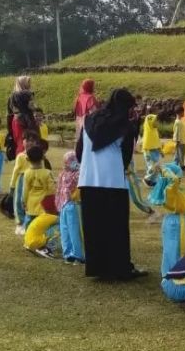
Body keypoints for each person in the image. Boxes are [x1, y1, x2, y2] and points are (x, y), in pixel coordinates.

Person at [76, 88, 146, 281]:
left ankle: (97, 267)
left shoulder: (89, 120)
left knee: (94, 227)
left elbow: (79, 149)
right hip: (113, 180)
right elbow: (126, 155)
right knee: (115, 228)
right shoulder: (124, 126)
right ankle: (119, 267)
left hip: (89, 179)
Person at [148, 161, 185, 292]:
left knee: (169, 248)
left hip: (169, 220)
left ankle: (166, 273)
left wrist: (161, 170)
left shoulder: (167, 189)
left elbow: (148, 178)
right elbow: (175, 179)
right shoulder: (171, 188)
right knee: (179, 249)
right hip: (178, 220)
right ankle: (177, 275)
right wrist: (165, 170)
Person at [8, 129, 41, 235]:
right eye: (27, 140)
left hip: (34, 180)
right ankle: (19, 223)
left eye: (32, 140)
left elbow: (42, 168)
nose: (30, 143)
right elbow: (16, 171)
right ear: (23, 142)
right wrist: (12, 186)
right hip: (22, 180)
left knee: (31, 201)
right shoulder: (21, 156)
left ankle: (30, 222)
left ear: (36, 142)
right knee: (19, 201)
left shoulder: (39, 156)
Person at [56, 151, 84, 265]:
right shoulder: (62, 174)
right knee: (64, 230)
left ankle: (78, 255)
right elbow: (58, 189)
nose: (71, 163)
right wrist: (58, 204)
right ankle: (68, 254)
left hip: (73, 205)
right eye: (68, 161)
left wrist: (80, 168)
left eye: (74, 161)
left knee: (74, 231)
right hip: (64, 205)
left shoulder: (78, 174)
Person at [21, 144, 56, 235]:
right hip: (44, 206)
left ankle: (28, 239)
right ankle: (42, 240)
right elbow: (52, 190)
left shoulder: (27, 173)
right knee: (43, 225)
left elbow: (25, 190)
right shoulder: (47, 173)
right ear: (43, 157)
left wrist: (24, 202)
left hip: (31, 204)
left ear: (27, 159)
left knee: (29, 223)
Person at [141, 113, 162, 179]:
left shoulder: (155, 131)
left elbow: (157, 141)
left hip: (156, 151)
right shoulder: (148, 133)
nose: (157, 123)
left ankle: (154, 180)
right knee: (152, 167)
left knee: (158, 166)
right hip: (149, 151)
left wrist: (160, 151)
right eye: (155, 121)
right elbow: (146, 144)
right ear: (150, 122)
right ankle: (147, 179)